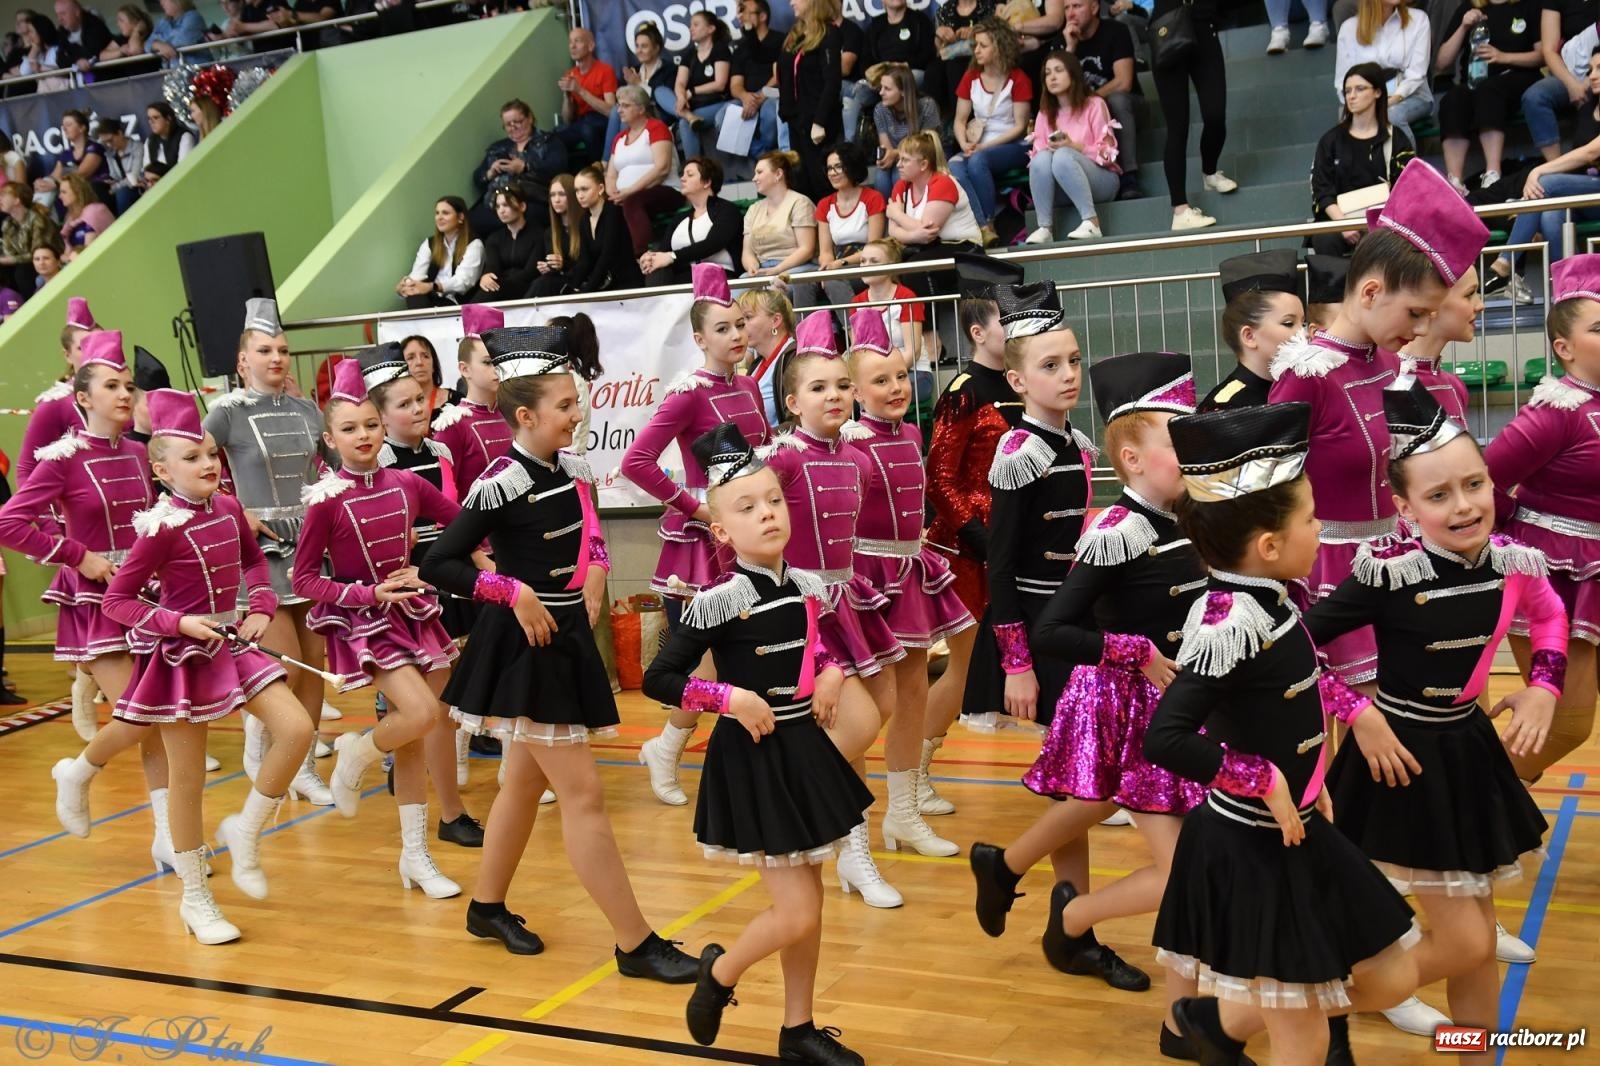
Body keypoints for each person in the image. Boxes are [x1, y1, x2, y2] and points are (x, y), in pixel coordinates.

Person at [419, 324, 699, 981]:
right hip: (528, 646)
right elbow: (440, 562)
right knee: (585, 795)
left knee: (522, 783)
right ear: (527, 416)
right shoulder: (500, 481)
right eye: (566, 405)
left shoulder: (570, 468)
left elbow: (589, 524)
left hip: (565, 632)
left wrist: (598, 566)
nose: (579, 414)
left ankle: (486, 907)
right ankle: (635, 943)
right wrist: (510, 590)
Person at [1146, 402, 1422, 1065]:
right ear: (1269, 545)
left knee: (1391, 976)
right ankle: (1234, 1021)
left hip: (1297, 823)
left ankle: (1217, 1022)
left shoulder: (1271, 596)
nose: (1322, 527)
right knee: (1304, 1034)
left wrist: (1317, 766)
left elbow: (1286, 689)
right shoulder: (1229, 620)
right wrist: (1263, 778)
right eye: (1311, 518)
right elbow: (1166, 736)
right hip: (1251, 843)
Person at [1307, 379, 1560, 1050]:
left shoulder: (1511, 560)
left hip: (1467, 751)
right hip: (1401, 760)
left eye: (1474, 485)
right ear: (1404, 506)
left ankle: (1472, 1057)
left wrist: (1543, 684)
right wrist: (1354, 709)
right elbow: (1292, 644)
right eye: (1439, 495)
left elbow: (1549, 617)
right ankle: (1298, 1008)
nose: (1464, 505)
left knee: (1476, 951)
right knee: (1468, 940)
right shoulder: (1389, 571)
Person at [971, 353, 1206, 1049]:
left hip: (1175, 706)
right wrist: (1130, 651)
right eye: (1178, 442)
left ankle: (1020, 878)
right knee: (1178, 864)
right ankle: (1073, 921)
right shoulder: (1117, 532)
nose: (1192, 454)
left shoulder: (1182, 518)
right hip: (1120, 701)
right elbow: (1054, 628)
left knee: (1104, 810)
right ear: (1132, 458)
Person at [645, 423, 873, 1066]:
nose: (767, 513)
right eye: (747, 508)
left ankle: (798, 1028)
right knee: (796, 912)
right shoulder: (718, 601)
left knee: (811, 903)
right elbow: (660, 678)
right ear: (721, 531)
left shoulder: (807, 586)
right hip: (754, 758)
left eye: (773, 500)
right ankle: (718, 973)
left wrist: (831, 672)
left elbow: (818, 649)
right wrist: (728, 699)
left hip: (803, 750)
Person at [94, 388, 313, 943]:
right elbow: (117, 601)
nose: (209, 464)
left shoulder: (230, 508)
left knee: (296, 728)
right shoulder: (160, 529)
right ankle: (195, 898)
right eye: (192, 458)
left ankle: (246, 830)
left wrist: (261, 606)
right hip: (181, 654)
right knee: (186, 781)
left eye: (212, 454)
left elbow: (254, 562)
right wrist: (178, 623)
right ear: (162, 471)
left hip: (232, 641)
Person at [1269, 160, 1488, 689]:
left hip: (1399, 559)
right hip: (1328, 571)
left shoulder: (1396, 366)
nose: (1421, 327)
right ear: (1370, 292)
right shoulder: (1308, 375)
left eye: (1430, 314)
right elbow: (1267, 491)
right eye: (1414, 313)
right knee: (1360, 720)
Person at [294, 355, 466, 896]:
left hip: (412, 612)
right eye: (349, 429)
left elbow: (462, 523)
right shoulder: (326, 501)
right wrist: (366, 594)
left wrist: (428, 568)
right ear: (330, 439)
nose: (363, 435)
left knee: (417, 732)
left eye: (370, 424)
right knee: (419, 714)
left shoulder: (406, 483)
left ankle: (415, 856)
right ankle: (358, 752)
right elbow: (303, 579)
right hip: (365, 623)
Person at [0, 333, 172, 870]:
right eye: (111, 386)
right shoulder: (63, 459)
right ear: (82, 398)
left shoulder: (141, 454)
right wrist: (78, 556)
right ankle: (77, 772)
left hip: (144, 596)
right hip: (95, 600)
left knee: (161, 722)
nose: (124, 394)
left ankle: (167, 836)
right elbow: (9, 522)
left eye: (128, 385)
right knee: (140, 716)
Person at [760, 311, 904, 908]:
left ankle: (850, 849)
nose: (835, 396)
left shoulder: (858, 457)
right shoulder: (781, 459)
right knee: (857, 724)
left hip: (848, 599)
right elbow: (751, 525)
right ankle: (793, 796)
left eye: (843, 385)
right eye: (818, 388)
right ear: (793, 403)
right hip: (805, 608)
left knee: (879, 709)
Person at [625, 265, 772, 807]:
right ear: (699, 338)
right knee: (704, 657)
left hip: (746, 532)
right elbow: (636, 462)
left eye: (740, 325)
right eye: (722, 329)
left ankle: (682, 751)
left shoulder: (751, 386)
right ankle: (668, 748)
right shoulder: (688, 393)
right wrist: (696, 506)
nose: (736, 336)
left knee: (743, 653)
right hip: (703, 541)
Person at [844, 308, 976, 859]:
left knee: (914, 691)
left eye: (901, 375)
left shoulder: (914, 432)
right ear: (854, 391)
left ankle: (903, 813)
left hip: (909, 570)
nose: (896, 387)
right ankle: (850, 828)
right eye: (881, 380)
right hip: (863, 578)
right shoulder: (848, 442)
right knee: (868, 703)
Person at [205, 298, 336, 806]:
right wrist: (232, 508)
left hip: (309, 546)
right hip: (259, 551)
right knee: (285, 666)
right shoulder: (226, 413)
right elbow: (188, 464)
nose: (276, 358)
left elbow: (332, 468)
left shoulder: (307, 410)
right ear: (243, 361)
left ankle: (303, 766)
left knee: (315, 661)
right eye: (264, 350)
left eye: (282, 349)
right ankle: (264, 749)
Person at [960, 281, 1095, 738]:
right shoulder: (1020, 452)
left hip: (1071, 613)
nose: (1068, 375)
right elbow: (1000, 566)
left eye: (1074, 360)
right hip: (1034, 619)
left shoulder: (1074, 443)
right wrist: (1016, 663)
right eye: (1051, 366)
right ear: (1017, 381)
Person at [1485, 253, 1600, 785]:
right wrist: (1519, 531)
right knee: (1564, 725)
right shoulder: (1556, 410)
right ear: (1563, 348)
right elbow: (1482, 481)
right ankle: (1478, 808)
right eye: (1598, 327)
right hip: (1556, 577)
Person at [923, 254, 1026, 755]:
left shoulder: (1021, 383)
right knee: (965, 668)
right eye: (1006, 321)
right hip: (967, 551)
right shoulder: (963, 393)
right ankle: (913, 771)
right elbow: (939, 479)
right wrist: (980, 538)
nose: (1017, 329)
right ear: (978, 332)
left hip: (1010, 541)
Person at [1483, 50, 1600, 302]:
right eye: (1590, 70)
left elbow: (1591, 151)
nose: (1592, 76)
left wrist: (1538, 170)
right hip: (1588, 194)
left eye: (1599, 69)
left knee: (1544, 183)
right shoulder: (1588, 108)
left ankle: (1504, 263)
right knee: (1550, 212)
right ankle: (1567, 292)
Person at [1310, 63, 1418, 258]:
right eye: (1347, 91)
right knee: (1324, 239)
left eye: (1359, 89)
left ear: (1377, 92)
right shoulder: (1330, 140)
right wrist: (1344, 225)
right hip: (1340, 220)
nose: (1351, 96)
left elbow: (1407, 188)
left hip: (1384, 222)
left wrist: (1380, 224)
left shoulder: (1396, 138)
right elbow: (1321, 190)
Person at [1434, 0, 1543, 193]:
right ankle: (1455, 183)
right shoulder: (1469, 7)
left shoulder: (1528, 5)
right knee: (1453, 99)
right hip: (1475, 80)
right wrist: (1463, 26)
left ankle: (1493, 173)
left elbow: (1541, 56)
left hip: (1518, 75)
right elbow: (1442, 63)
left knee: (1489, 91)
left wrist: (1503, 57)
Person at [1150, 0, 1236, 230]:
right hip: (1167, 25)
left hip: (1203, 24)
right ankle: (1180, 210)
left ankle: (1210, 172)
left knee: (1215, 115)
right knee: (1177, 126)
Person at [949, 19, 1034, 246]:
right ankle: (984, 227)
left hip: (1013, 145)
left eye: (983, 45)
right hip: (978, 145)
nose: (976, 50)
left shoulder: (1018, 78)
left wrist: (983, 147)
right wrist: (964, 143)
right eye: (975, 45)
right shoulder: (971, 77)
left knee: (978, 160)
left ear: (999, 46)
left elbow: (1019, 126)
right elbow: (959, 120)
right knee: (954, 165)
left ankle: (987, 220)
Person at [1024, 50, 1120, 243]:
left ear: (1073, 74)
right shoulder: (1044, 114)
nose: (1052, 77)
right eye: (1048, 73)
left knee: (1063, 156)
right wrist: (1050, 150)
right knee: (1041, 159)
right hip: (1062, 186)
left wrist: (1075, 147)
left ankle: (1092, 222)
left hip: (1103, 181)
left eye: (1058, 70)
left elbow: (1109, 156)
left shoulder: (1094, 104)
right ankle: (1045, 228)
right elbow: (1038, 163)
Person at [1201, 250, 1306, 412]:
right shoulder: (1224, 408)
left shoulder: (1302, 389)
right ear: (1249, 336)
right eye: (1288, 323)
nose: (1303, 334)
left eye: (1303, 323)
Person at [885, 130, 984, 296]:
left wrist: (896, 215)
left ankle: (932, 314)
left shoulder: (942, 182)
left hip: (964, 247)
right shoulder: (902, 186)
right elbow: (893, 231)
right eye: (899, 159)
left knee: (915, 269)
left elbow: (928, 232)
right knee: (884, 265)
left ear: (923, 165)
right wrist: (914, 235)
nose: (898, 165)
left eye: (905, 160)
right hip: (928, 247)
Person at [1063, 0, 1141, 201]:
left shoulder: (1116, 30)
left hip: (1127, 106)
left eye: (1077, 6)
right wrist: (1070, 49)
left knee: (1117, 99)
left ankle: (1129, 176)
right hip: (1086, 114)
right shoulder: (1063, 41)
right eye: (1066, 8)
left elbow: (1124, 82)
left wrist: (1090, 101)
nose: (1070, 13)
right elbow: (1057, 92)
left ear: (1094, 8)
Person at [1394, 261, 1479, 427]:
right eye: (1469, 294)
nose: (1480, 305)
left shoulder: (1454, 385)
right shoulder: (1390, 380)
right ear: (1433, 300)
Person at [848, 239, 933, 406]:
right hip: (874, 378)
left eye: (874, 261)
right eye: (863, 261)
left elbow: (913, 352)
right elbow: (857, 352)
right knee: (850, 395)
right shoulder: (856, 302)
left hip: (913, 372)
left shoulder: (906, 297)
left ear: (891, 266)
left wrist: (884, 378)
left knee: (877, 394)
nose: (865, 266)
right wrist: (874, 379)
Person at [1335, 0, 1433, 138]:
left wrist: (1392, 99)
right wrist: (1362, 102)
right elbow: (1342, 81)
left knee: (1390, 115)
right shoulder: (1349, 28)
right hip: (1364, 97)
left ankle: (1405, 153)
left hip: (1411, 95)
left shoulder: (1418, 19)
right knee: (1349, 122)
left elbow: (1417, 73)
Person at [639, 156, 743, 286]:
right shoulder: (679, 218)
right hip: (683, 280)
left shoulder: (727, 210)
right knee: (656, 268)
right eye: (683, 175)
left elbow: (713, 243)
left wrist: (672, 256)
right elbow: (663, 252)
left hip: (718, 278)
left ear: (707, 182)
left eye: (690, 175)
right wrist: (650, 258)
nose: (682, 179)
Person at [606, 85, 684, 256]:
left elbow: (662, 168)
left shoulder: (656, 128)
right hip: (626, 196)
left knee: (633, 201)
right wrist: (613, 194)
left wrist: (628, 192)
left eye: (625, 106)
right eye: (619, 105)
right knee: (606, 208)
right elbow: (611, 174)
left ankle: (641, 255)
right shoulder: (619, 138)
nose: (619, 110)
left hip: (666, 190)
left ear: (641, 109)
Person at [778, 0, 843, 200]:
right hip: (796, 120)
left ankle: (827, 219)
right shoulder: (796, 34)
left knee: (821, 180)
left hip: (817, 120)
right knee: (801, 182)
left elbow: (832, 81)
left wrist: (820, 121)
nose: (791, 3)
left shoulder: (828, 33)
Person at [469, 99, 565, 235]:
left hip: (531, 200)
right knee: (471, 221)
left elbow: (558, 167)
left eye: (517, 122)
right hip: (495, 202)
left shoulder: (548, 141)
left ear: (529, 118)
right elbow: (477, 179)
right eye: (508, 124)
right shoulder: (498, 147)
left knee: (529, 215)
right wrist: (490, 173)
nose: (513, 127)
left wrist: (525, 166)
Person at [848, 0, 938, 140]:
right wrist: (875, 74)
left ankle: (912, 137)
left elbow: (928, 54)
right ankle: (849, 144)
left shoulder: (919, 20)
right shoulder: (876, 25)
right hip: (882, 76)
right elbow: (865, 60)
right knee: (857, 92)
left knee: (907, 78)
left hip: (910, 72)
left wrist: (903, 66)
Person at [1520, 0, 1592, 163]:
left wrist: (1593, 76)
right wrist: (1571, 84)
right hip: (1569, 72)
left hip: (1596, 71)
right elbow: (1549, 50)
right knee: (1535, 96)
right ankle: (1555, 166)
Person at [740, 150, 819, 289]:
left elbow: (807, 249)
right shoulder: (753, 209)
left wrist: (777, 269)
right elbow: (747, 252)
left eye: (759, 172)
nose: (754, 178)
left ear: (778, 174)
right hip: (763, 270)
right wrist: (751, 266)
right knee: (734, 293)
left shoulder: (800, 203)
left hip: (797, 268)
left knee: (772, 292)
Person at [603, 22, 679, 163]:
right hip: (637, 114)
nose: (639, 50)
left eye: (644, 46)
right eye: (637, 46)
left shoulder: (670, 70)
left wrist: (638, 84)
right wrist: (629, 85)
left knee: (629, 114)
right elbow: (624, 100)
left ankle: (618, 161)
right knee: (616, 110)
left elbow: (664, 100)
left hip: (660, 116)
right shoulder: (635, 69)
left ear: (656, 48)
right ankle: (606, 161)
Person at [814, 142, 885, 290]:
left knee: (833, 283)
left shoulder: (873, 198)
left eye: (838, 166)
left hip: (866, 264)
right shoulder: (824, 205)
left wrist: (841, 263)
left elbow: (874, 247)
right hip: (837, 265)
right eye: (829, 168)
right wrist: (827, 267)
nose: (832, 173)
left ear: (853, 167)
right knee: (802, 283)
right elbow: (825, 251)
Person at [396, 196, 483, 308]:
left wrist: (433, 286)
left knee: (419, 296)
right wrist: (405, 287)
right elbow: (417, 276)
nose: (439, 217)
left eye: (445, 213)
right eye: (437, 213)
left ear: (461, 217)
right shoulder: (429, 243)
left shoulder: (474, 244)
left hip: (457, 303)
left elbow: (463, 282)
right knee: (414, 294)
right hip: (432, 299)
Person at [870, 63, 941, 199]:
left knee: (899, 176)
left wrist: (895, 154)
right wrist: (886, 157)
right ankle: (887, 211)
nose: (881, 92)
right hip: (897, 157)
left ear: (903, 91)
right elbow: (886, 146)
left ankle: (904, 209)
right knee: (880, 177)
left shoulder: (926, 105)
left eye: (887, 89)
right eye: (881, 87)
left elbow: (926, 146)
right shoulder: (880, 109)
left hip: (921, 157)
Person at [672, 10, 734, 162]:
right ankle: (688, 115)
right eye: (690, 25)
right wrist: (681, 97)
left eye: (696, 24)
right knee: (662, 93)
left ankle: (694, 167)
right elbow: (680, 82)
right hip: (692, 105)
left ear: (710, 29)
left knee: (684, 123)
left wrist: (692, 91)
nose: (691, 28)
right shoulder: (689, 54)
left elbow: (720, 84)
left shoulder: (720, 49)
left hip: (716, 103)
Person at [572, 163, 644, 292]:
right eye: (577, 190)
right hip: (604, 284)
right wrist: (572, 287)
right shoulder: (584, 220)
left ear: (600, 188)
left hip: (626, 284)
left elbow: (608, 255)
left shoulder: (613, 212)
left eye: (584, 189)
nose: (580, 195)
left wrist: (587, 290)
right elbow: (585, 260)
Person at [553, 27, 617, 169]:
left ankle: (600, 172)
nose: (572, 46)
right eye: (570, 42)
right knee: (554, 139)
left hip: (600, 120)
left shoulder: (605, 70)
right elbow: (567, 119)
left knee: (588, 129)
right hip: (580, 122)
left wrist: (580, 90)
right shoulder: (570, 74)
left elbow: (611, 111)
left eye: (577, 41)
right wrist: (566, 96)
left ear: (591, 46)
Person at [729, 0, 784, 159]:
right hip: (749, 97)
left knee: (770, 113)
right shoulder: (741, 48)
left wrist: (760, 96)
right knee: (722, 117)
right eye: (741, 12)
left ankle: (769, 156)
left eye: (747, 12)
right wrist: (745, 96)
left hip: (775, 92)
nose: (742, 17)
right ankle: (764, 156)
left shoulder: (780, 40)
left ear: (762, 16)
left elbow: (779, 75)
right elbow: (735, 85)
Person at [740, 287, 798, 426]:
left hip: (778, 439)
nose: (741, 325)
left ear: (775, 320)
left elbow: (797, 421)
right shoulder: (757, 363)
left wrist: (763, 436)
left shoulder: (794, 358)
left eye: (748, 317)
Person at [473, 187, 540, 303]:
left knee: (492, 288)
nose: (501, 210)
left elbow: (530, 272)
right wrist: (487, 276)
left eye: (506, 205)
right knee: (488, 286)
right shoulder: (494, 238)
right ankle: (469, 312)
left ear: (522, 206)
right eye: (498, 206)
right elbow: (492, 266)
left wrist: (499, 282)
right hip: (501, 287)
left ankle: (468, 313)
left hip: (527, 287)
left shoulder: (538, 234)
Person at [0, 181, 63, 293]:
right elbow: (8, 251)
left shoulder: (38, 220)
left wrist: (9, 260)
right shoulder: (8, 223)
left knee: (23, 271)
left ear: (17, 200)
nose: (0, 199)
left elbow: (38, 253)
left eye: (3, 195)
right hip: (24, 262)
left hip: (48, 260)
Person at [529, 173, 582, 298]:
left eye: (562, 194)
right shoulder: (550, 232)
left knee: (542, 284)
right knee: (541, 282)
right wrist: (549, 267)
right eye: (552, 195)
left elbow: (588, 264)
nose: (556, 200)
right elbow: (555, 266)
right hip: (560, 283)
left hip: (582, 282)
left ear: (573, 195)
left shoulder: (585, 225)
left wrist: (563, 265)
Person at [37, 110, 106, 202]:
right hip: (70, 194)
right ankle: (39, 209)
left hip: (93, 194)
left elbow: (80, 175)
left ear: (82, 128)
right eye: (63, 126)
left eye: (68, 125)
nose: (64, 129)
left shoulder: (94, 148)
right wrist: (42, 182)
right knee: (46, 182)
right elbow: (55, 175)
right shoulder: (66, 153)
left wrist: (56, 184)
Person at [97, 118, 145, 216]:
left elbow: (134, 178)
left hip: (137, 187)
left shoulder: (137, 148)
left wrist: (115, 187)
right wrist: (110, 182)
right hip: (120, 186)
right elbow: (114, 176)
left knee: (123, 194)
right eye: (105, 142)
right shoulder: (110, 153)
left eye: (110, 140)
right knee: (98, 190)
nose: (109, 144)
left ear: (120, 133)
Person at [58, 174, 113, 261]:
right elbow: (66, 253)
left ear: (77, 192)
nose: (60, 196)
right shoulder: (69, 218)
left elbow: (89, 251)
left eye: (64, 192)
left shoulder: (94, 211)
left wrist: (68, 258)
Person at [54, 0, 112, 76]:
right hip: (84, 79)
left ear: (77, 12)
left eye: (63, 13)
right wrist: (77, 61)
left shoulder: (94, 24)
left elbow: (93, 53)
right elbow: (60, 60)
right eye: (57, 15)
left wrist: (72, 56)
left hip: (108, 75)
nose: (60, 19)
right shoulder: (62, 31)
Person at [147, 0, 205, 67]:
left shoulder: (194, 17)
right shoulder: (162, 22)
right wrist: (157, 44)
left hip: (196, 68)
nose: (161, 2)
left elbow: (182, 40)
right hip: (173, 70)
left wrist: (159, 42)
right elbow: (147, 44)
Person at [143, 102, 195, 172]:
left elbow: (184, 169)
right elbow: (147, 170)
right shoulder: (149, 141)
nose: (151, 122)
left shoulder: (184, 137)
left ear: (168, 119)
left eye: (155, 118)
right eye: (149, 118)